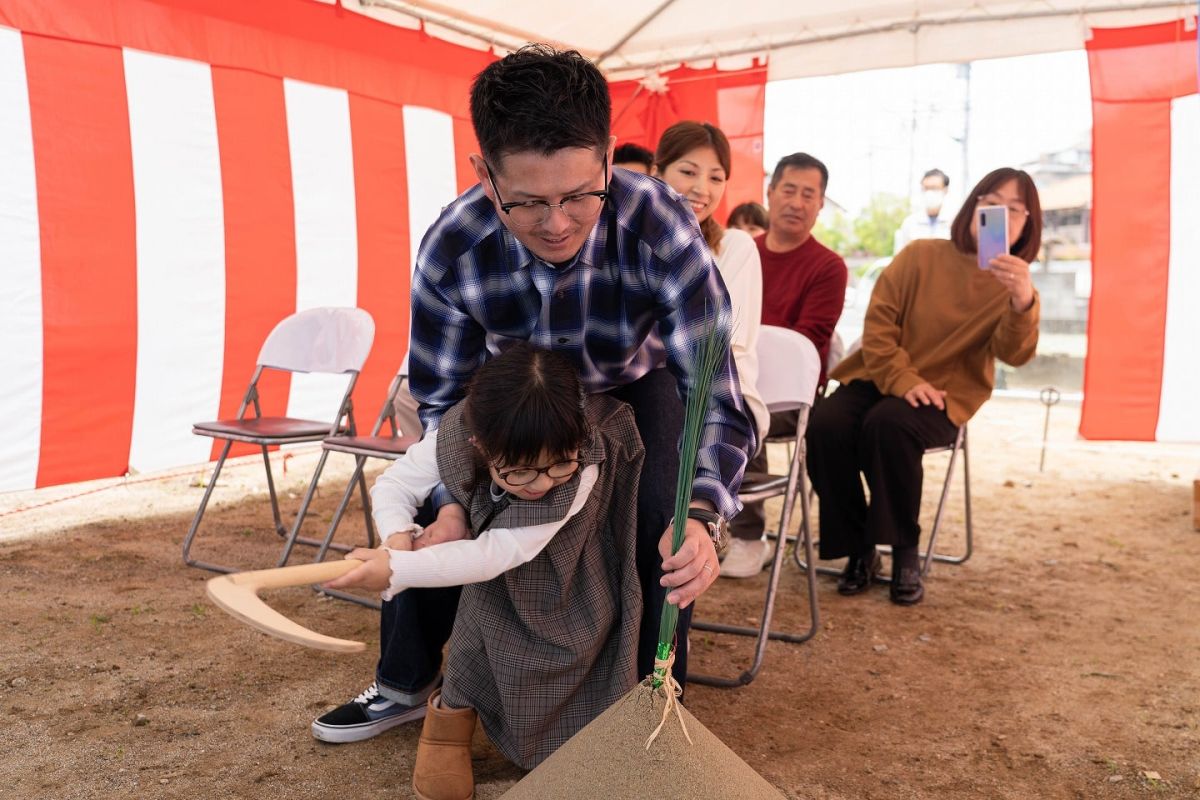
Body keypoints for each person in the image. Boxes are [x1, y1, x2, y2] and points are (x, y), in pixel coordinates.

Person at [311, 45, 754, 747]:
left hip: (635, 384)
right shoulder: (452, 247)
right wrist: (453, 501)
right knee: (441, 511)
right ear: (483, 175)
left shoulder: (659, 222)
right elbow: (442, 405)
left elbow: (714, 392)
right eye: (527, 202)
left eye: (580, 195)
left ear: (608, 160)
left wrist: (703, 514)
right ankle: (402, 682)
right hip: (514, 391)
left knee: (662, 523)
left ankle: (654, 698)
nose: (557, 224)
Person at [325, 344, 644, 797]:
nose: (543, 482)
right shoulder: (455, 431)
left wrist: (398, 568)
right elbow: (394, 483)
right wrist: (398, 536)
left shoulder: (587, 460)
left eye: (558, 464)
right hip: (489, 577)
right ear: (481, 445)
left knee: (568, 651)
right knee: (478, 629)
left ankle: (566, 738)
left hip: (567, 575)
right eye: (518, 472)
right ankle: (447, 726)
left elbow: (499, 552)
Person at [808, 167, 1042, 606]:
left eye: (1014, 209)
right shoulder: (920, 255)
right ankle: (859, 549)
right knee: (826, 423)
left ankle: (903, 552)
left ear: (1028, 223)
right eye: (991, 202)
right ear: (972, 205)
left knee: (889, 425)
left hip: (945, 396)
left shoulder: (1015, 284)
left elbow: (1015, 354)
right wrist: (902, 378)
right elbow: (878, 323)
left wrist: (1022, 300)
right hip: (879, 374)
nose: (1000, 214)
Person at [652, 122, 769, 578]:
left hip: (720, 395)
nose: (702, 188)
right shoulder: (636, 241)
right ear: (658, 172)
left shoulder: (735, 246)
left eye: (716, 177)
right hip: (652, 388)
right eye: (688, 171)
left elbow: (717, 353)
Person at [725, 153, 848, 576]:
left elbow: (808, 344)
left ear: (820, 204)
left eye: (808, 194)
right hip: (732, 375)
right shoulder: (741, 252)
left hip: (786, 396)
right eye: (789, 190)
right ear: (771, 194)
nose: (797, 202)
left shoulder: (828, 267)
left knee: (737, 403)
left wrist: (746, 348)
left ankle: (747, 535)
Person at [893, 168, 953, 253]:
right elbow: (899, 257)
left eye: (934, 188)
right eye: (926, 188)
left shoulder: (955, 222)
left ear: (945, 190)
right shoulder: (910, 223)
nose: (929, 192)